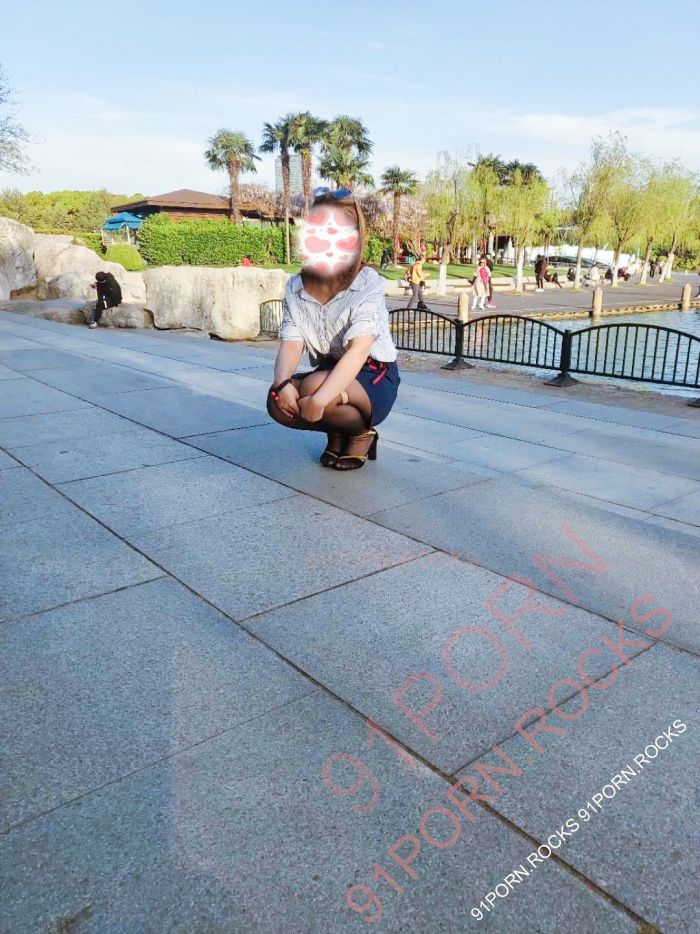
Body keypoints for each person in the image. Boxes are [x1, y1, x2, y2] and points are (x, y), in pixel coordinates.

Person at [267, 187, 400, 472]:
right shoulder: (296, 286)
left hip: (373, 373)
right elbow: (292, 342)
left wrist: (321, 399)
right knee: (276, 402)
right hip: (331, 368)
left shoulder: (367, 282)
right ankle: (337, 433)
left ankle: (360, 435)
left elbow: (360, 349)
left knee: (315, 388)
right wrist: (282, 383)